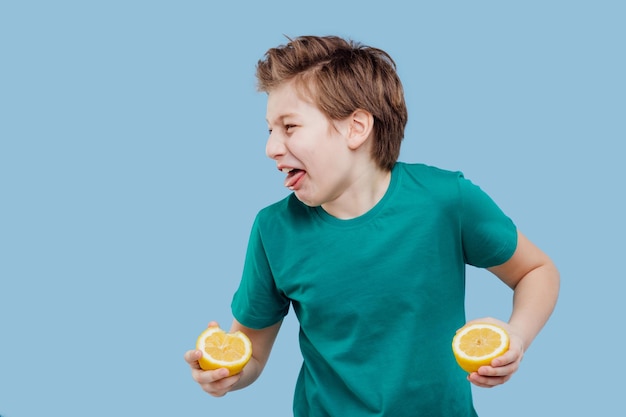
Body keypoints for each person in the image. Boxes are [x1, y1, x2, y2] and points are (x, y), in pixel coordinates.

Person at [184, 35, 560, 416]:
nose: (271, 147)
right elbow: (251, 351)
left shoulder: (446, 200)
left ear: (356, 128)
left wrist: (516, 336)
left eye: (290, 126)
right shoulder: (273, 230)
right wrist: (226, 375)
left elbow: (536, 271)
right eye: (269, 129)